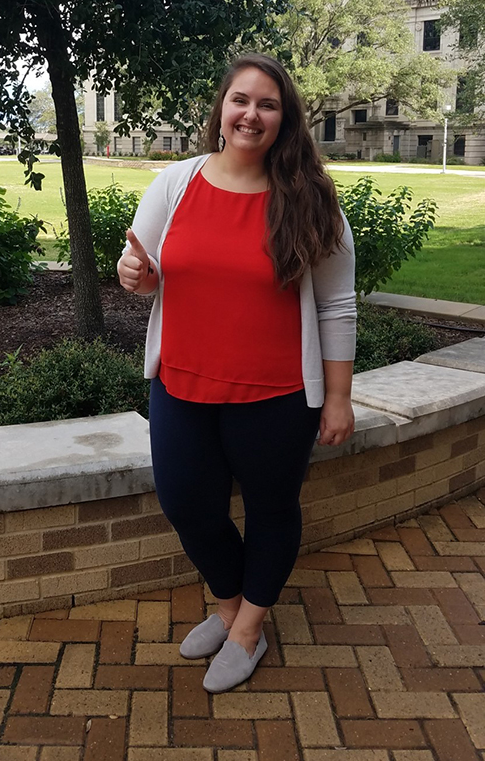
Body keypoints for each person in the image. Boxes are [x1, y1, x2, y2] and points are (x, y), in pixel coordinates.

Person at [116, 53, 356, 693]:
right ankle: (228, 609)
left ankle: (250, 629)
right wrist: (133, 275)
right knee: (187, 505)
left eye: (268, 104)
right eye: (241, 100)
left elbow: (337, 302)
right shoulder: (176, 183)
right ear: (221, 109)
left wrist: (337, 398)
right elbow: (139, 263)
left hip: (277, 395)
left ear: (285, 118)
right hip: (181, 385)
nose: (251, 114)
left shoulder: (309, 200)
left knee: (272, 508)